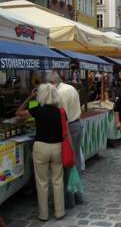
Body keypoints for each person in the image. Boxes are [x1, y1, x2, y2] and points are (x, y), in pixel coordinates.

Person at [16, 84, 66, 221]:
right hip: (57, 147)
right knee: (57, 180)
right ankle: (59, 212)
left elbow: (18, 113)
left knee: (42, 182)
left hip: (41, 147)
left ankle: (43, 214)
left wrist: (30, 97)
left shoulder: (37, 109)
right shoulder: (61, 111)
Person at [46, 72, 83, 209]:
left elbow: (63, 119)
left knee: (67, 163)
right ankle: (78, 196)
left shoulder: (60, 93)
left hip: (69, 128)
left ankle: (69, 201)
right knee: (75, 161)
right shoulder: (70, 88)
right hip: (77, 124)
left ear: (52, 83)